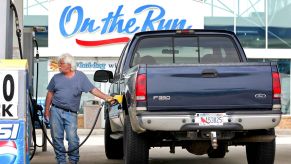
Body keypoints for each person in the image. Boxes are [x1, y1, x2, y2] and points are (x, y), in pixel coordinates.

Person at [44, 53, 115, 164]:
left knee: (72, 139)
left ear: (69, 65)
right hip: (56, 110)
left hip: (71, 113)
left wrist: (106, 97)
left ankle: (73, 161)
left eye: (61, 64)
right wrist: (46, 111)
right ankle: (61, 161)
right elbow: (50, 94)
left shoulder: (80, 77)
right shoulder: (55, 78)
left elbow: (93, 90)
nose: (59, 66)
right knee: (57, 138)